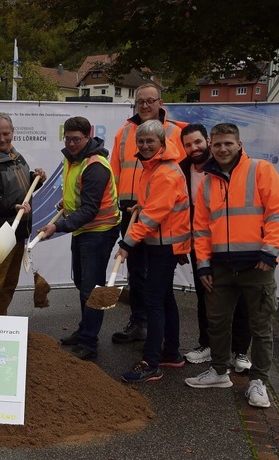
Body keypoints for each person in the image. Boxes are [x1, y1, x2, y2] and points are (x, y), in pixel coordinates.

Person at [185, 123, 279, 408]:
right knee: (216, 322)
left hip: (257, 265)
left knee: (261, 326)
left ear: (239, 144)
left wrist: (269, 252)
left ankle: (258, 382)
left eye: (228, 143)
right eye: (217, 144)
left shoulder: (261, 170)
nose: (222, 149)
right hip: (220, 267)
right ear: (211, 146)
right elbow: (201, 229)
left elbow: (277, 213)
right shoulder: (206, 181)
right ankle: (218, 371)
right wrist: (203, 265)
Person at [110, 83, 187, 344]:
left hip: (160, 213)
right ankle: (139, 321)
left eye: (150, 101)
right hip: (130, 208)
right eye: (140, 101)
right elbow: (115, 171)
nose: (144, 105)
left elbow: (179, 176)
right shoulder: (124, 131)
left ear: (160, 102)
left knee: (157, 279)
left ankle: (161, 335)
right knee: (136, 271)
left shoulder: (174, 131)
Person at [38, 116, 119, 359]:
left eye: (76, 139)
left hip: (100, 230)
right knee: (82, 284)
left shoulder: (95, 165)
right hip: (84, 229)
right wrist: (68, 203)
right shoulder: (73, 158)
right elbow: (79, 195)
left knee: (92, 290)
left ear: (88, 137)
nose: (71, 143)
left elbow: (91, 208)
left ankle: (89, 343)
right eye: (68, 138)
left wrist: (57, 227)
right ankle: (85, 330)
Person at [117, 120, 190, 383]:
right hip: (163, 242)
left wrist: (127, 244)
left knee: (154, 301)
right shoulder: (153, 167)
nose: (145, 146)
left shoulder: (165, 172)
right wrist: (141, 205)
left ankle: (151, 363)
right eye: (141, 141)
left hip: (164, 243)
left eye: (150, 141)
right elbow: (154, 205)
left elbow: (154, 216)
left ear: (162, 143)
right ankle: (171, 353)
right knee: (165, 298)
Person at [179, 124, 252, 372]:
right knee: (205, 297)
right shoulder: (182, 170)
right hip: (200, 244)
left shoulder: (226, 168)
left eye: (198, 142)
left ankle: (240, 350)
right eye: (188, 144)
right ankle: (207, 344)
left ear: (207, 141)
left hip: (234, 245)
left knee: (241, 299)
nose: (194, 148)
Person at [0, 112, 47, 316]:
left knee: (8, 285)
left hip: (18, 232)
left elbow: (17, 188)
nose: (2, 138)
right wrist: (12, 207)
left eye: (6, 133)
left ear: (13, 132)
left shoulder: (15, 155)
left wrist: (34, 179)